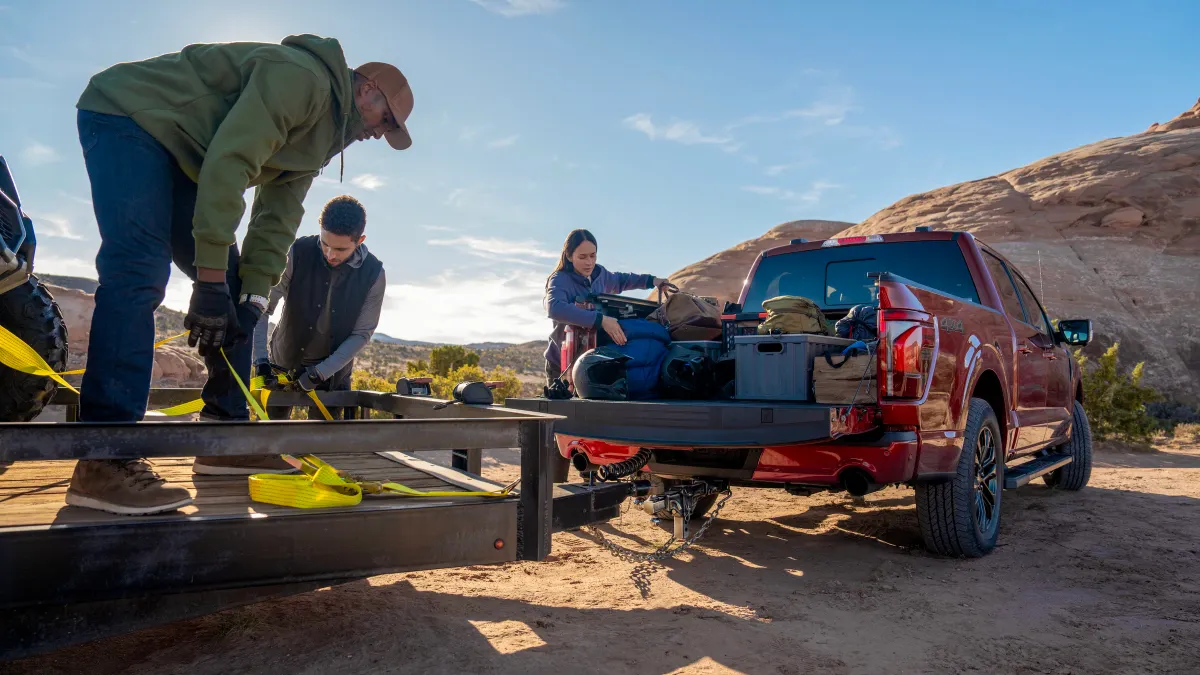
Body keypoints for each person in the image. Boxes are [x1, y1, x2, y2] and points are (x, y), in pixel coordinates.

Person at [66, 35, 414, 516]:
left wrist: (251, 294)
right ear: (367, 90)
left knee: (235, 293)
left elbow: (277, 219)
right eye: (386, 120)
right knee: (139, 272)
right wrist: (206, 281)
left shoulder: (322, 139)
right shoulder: (301, 79)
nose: (381, 132)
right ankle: (103, 460)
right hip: (132, 117)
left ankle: (223, 438)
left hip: (188, 153)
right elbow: (229, 164)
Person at [249, 195, 385, 425]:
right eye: (325, 244)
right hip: (282, 364)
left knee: (323, 443)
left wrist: (320, 372)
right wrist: (260, 360)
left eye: (340, 249)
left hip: (333, 373)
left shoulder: (374, 274)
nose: (330, 254)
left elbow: (362, 333)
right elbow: (263, 307)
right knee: (269, 437)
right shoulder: (296, 252)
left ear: (359, 240)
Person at [542, 229, 670, 385]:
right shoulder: (559, 279)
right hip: (562, 364)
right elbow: (554, 307)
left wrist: (652, 281)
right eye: (582, 257)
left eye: (592, 255)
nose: (589, 262)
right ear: (569, 256)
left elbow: (621, 280)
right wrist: (600, 320)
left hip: (592, 360)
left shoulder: (600, 274)